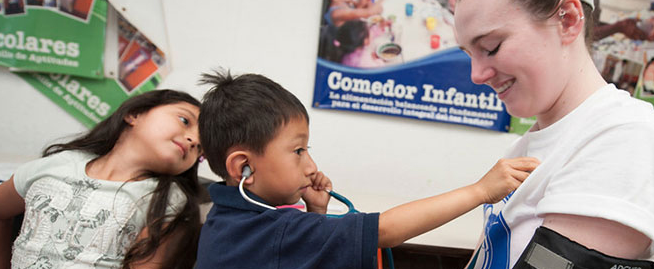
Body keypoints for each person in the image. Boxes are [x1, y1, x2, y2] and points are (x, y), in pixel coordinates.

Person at [454, 0, 654, 268]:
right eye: (469, 53)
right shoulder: (528, 146)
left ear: (569, 20)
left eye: (491, 47)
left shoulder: (628, 142)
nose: (476, 75)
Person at [194, 70, 539, 268]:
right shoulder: (276, 229)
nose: (310, 165)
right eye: (297, 151)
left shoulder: (225, 220)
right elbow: (384, 231)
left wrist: (316, 211)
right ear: (243, 167)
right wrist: (480, 191)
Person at [0, 90, 204, 269]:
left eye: (201, 147)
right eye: (185, 120)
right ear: (135, 114)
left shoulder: (167, 201)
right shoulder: (56, 165)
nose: (194, 139)